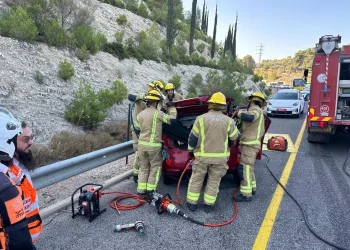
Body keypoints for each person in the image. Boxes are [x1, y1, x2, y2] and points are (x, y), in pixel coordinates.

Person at [186, 92, 239, 213]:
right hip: (219, 160)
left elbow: (192, 139)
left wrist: (190, 151)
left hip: (202, 158)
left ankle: (192, 204)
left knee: (196, 179)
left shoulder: (200, 119)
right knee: (214, 181)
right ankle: (208, 205)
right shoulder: (229, 121)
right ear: (223, 106)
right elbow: (234, 138)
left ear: (210, 104)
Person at [0, 107, 36, 250]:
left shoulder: (19, 164)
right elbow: (19, 241)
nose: (30, 143)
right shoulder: (5, 186)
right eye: (23, 139)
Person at [134, 90, 175, 198]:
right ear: (156, 102)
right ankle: (150, 191)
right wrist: (172, 109)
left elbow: (137, 128)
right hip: (154, 147)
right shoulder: (158, 114)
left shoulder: (140, 114)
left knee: (143, 168)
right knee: (155, 168)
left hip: (142, 145)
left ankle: (141, 191)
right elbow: (172, 120)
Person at [10, 122, 42, 243]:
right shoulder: (5, 172)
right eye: (26, 139)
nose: (31, 142)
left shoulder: (19, 164)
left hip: (25, 238)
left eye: (31, 138)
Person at [232, 92, 266, 202]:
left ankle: (246, 194)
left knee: (244, 168)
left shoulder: (255, 110)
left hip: (250, 144)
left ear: (251, 101)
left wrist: (238, 113)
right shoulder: (257, 111)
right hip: (250, 144)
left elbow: (250, 118)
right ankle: (252, 188)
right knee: (249, 168)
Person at [128, 81, 164, 183]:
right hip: (139, 129)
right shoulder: (143, 97)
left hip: (144, 128)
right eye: (159, 90)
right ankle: (136, 174)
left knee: (142, 153)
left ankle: (140, 174)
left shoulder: (150, 98)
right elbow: (130, 96)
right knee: (140, 154)